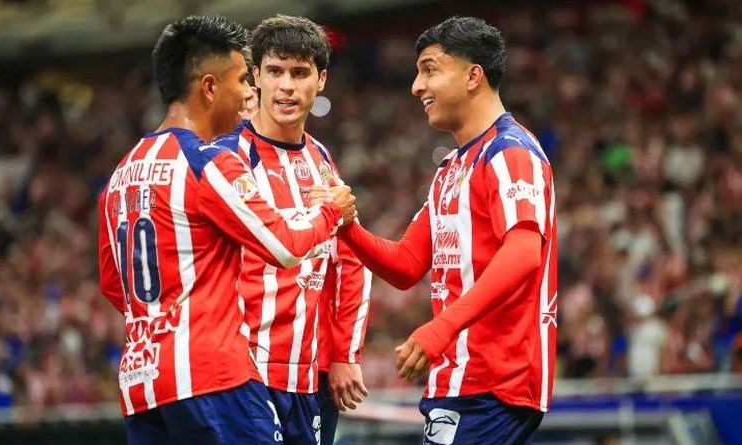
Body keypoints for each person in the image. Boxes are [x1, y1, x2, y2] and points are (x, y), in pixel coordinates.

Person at [97, 15, 356, 444]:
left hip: (143, 384)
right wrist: (331, 211)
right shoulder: (208, 161)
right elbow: (285, 245)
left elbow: (114, 284)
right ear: (209, 87)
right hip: (213, 376)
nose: (247, 95)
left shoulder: (121, 175)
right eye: (241, 81)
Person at [328, 16, 558, 444]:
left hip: (495, 382)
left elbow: (525, 252)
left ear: (473, 76)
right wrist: (346, 227)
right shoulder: (452, 169)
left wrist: (441, 328)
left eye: (430, 70)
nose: (417, 86)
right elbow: (406, 264)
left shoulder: (510, 153)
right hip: (458, 379)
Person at [230, 14, 371, 445]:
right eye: (274, 71)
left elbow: (351, 259)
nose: (286, 86)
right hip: (243, 374)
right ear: (256, 77)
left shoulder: (321, 160)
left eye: (299, 73)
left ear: (321, 80)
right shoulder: (229, 156)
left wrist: (344, 354)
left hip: (310, 377)